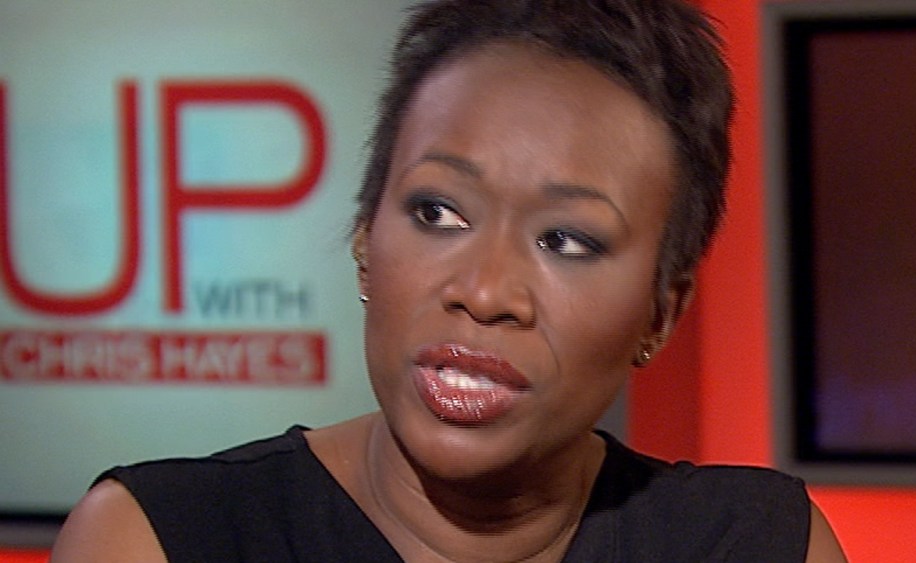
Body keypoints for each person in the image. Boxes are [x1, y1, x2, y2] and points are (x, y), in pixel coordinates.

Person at [52, 0, 847, 561]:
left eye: (566, 239)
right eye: (438, 212)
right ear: (365, 236)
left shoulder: (752, 544)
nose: (485, 291)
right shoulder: (157, 539)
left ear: (661, 314)